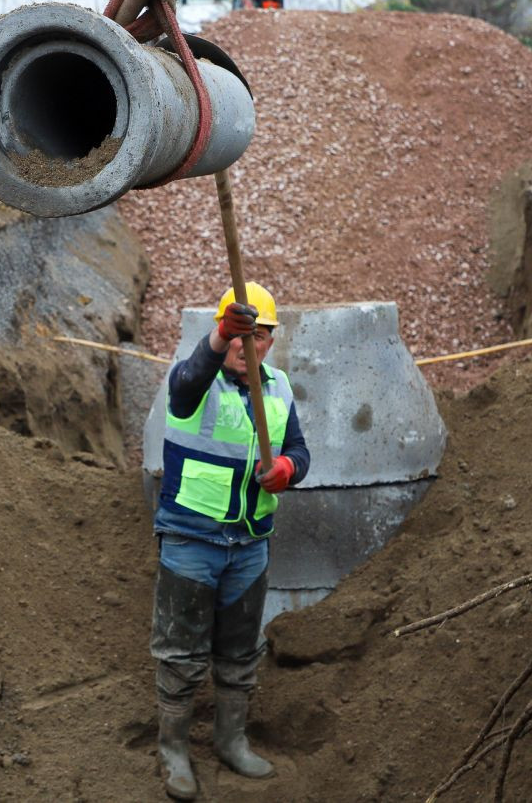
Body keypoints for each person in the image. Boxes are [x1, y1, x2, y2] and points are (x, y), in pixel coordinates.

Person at [151, 282, 310, 800]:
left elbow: (300, 451)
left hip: (249, 544)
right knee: (181, 651)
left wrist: (288, 468)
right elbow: (187, 380)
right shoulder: (196, 382)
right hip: (190, 540)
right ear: (224, 334)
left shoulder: (280, 388)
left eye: (258, 335)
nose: (248, 345)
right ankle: (173, 749)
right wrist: (221, 335)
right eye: (239, 334)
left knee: (240, 651)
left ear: (269, 340)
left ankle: (230, 739)